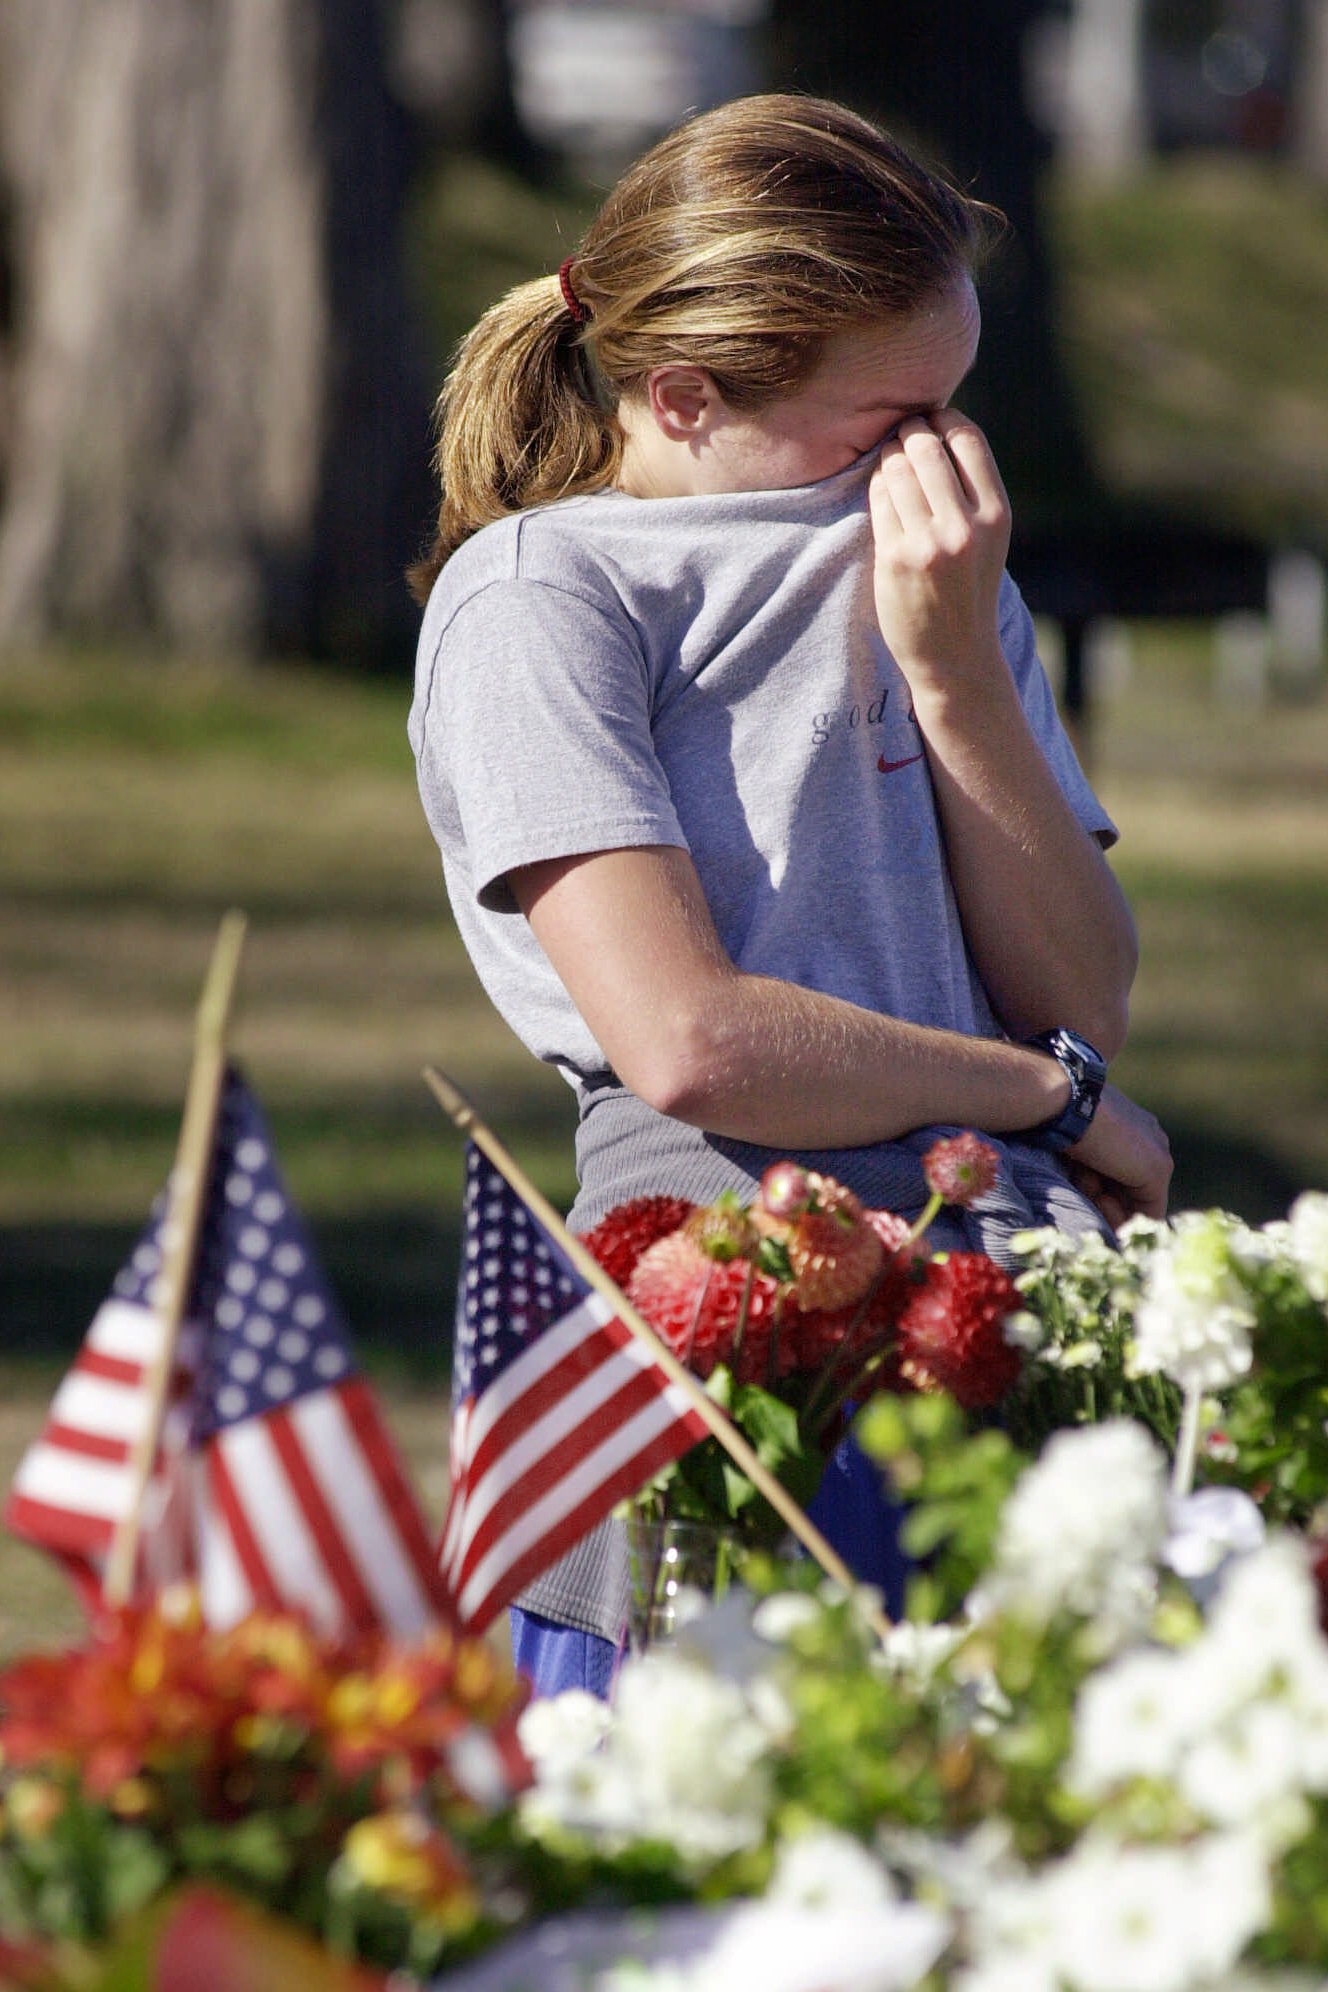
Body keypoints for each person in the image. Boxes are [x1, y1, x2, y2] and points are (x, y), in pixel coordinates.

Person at [407, 93, 1172, 1697]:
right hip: (732, 1298)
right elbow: (687, 1038)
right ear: (684, 396)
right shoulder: (547, 598)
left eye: (959, 407)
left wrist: (954, 669)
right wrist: (1042, 1099)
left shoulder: (941, 572)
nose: (943, 464)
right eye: (892, 420)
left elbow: (1083, 990)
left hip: (1008, 1297)